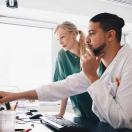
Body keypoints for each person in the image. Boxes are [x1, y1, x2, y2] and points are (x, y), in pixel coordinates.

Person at [0, 12, 132, 129]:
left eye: (92, 33)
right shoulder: (103, 65)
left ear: (110, 35)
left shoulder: (129, 63)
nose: (86, 40)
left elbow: (122, 121)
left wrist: (92, 75)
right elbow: (63, 87)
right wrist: (15, 95)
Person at [53, 21, 99, 122]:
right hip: (79, 112)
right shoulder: (62, 55)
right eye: (58, 40)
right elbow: (63, 86)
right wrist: (61, 113)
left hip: (99, 110)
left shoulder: (90, 51)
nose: (60, 42)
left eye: (62, 37)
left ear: (73, 34)